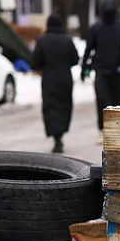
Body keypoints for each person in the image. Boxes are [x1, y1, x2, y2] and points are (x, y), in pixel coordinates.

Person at [82, 0, 120, 134]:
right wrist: (84, 67)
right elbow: (89, 48)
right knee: (102, 100)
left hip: (118, 71)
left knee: (118, 101)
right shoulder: (96, 28)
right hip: (101, 70)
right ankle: (103, 128)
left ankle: (119, 128)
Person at [30, 14, 79, 153]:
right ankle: (61, 134)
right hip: (65, 79)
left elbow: (35, 62)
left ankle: (56, 138)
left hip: (49, 79)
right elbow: (75, 59)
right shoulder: (68, 40)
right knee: (64, 106)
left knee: (51, 107)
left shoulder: (42, 41)